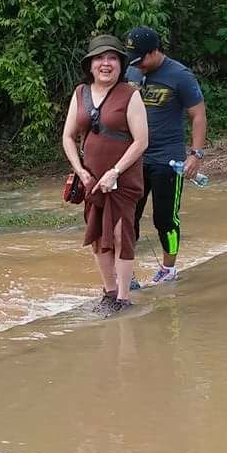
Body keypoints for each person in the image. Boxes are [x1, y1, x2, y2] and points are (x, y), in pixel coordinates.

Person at [62, 34, 148, 313]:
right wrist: (80, 171)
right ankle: (109, 292)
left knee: (122, 234)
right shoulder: (80, 93)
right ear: (90, 65)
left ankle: (123, 298)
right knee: (98, 234)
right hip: (91, 179)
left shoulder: (130, 95)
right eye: (99, 58)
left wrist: (115, 172)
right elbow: (68, 137)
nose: (106, 63)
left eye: (112, 58)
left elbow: (141, 141)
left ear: (121, 64)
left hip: (123, 179)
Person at [124, 26, 207, 284]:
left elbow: (198, 115)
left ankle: (168, 269)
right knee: (128, 217)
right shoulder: (132, 71)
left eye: (141, 59)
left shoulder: (180, 75)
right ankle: (127, 272)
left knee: (165, 218)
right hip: (134, 158)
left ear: (154, 52)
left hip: (167, 159)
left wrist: (195, 155)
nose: (137, 65)